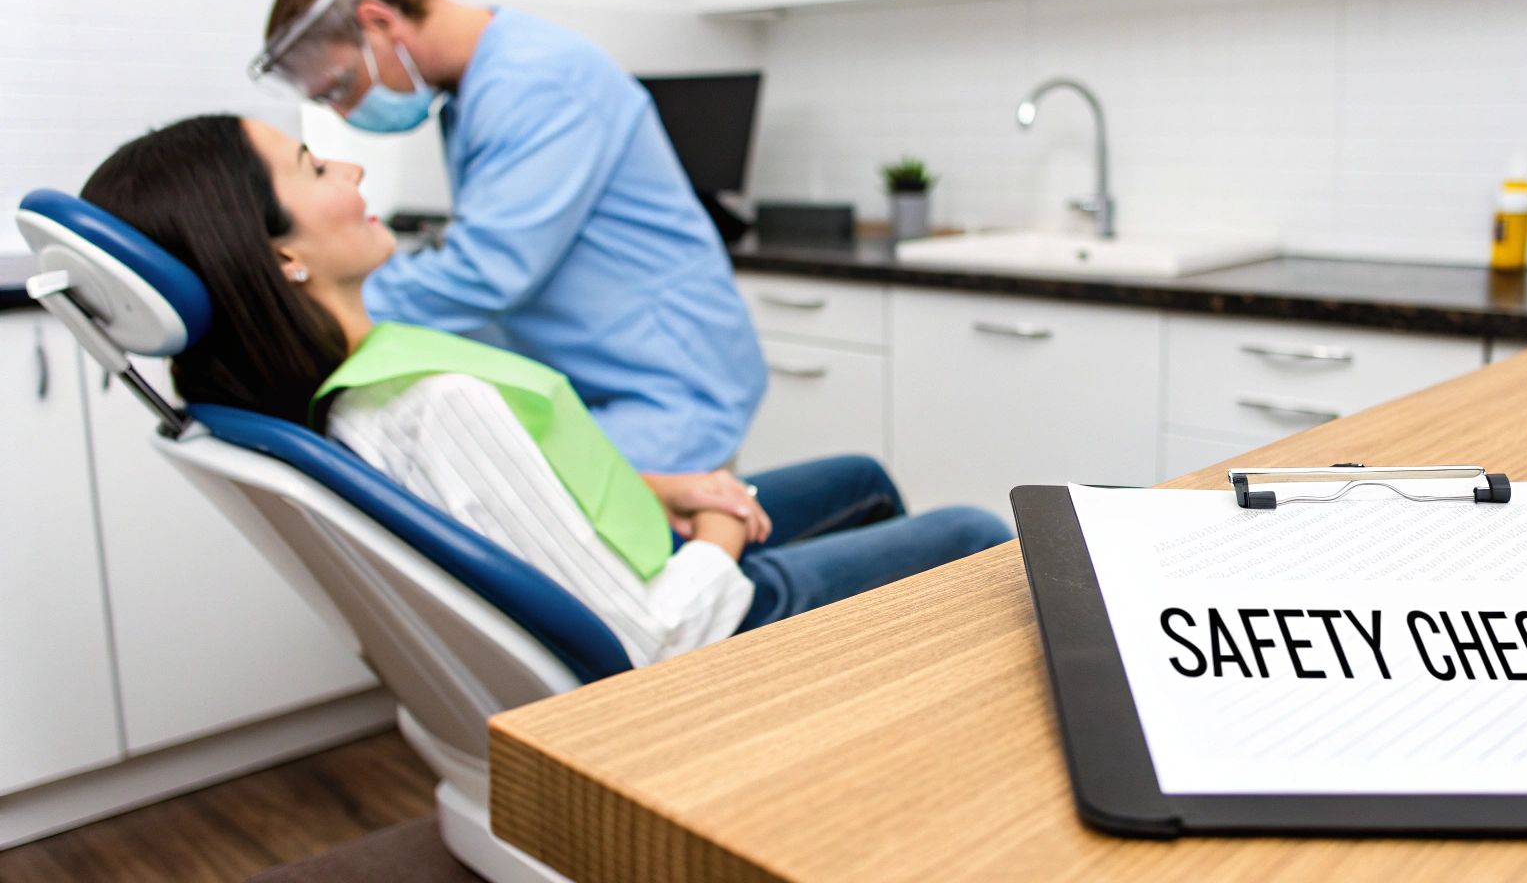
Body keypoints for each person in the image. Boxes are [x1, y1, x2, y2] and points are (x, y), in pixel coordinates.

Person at [79, 115, 1010, 667]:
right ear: (280, 254)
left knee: (860, 474)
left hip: (653, 546)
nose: (354, 170)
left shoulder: (353, 380)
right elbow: (652, 637)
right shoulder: (426, 403)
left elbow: (502, 498)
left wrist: (668, 490)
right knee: (974, 535)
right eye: (317, 169)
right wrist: (721, 531)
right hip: (705, 623)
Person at [248, 0, 764, 474]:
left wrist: (322, 314)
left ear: (378, 21)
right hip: (603, 377)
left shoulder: (538, 80)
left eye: (339, 86)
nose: (345, 110)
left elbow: (487, 271)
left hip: (667, 389)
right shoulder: (470, 92)